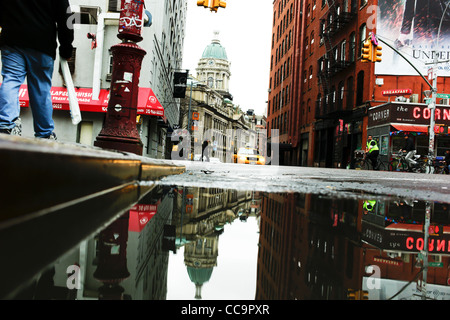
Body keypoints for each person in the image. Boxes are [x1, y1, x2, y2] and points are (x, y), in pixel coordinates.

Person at [0, 0, 74, 139]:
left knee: (11, 79)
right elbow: (67, 18)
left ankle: (4, 124)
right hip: (42, 44)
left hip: (12, 41)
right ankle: (44, 133)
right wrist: (66, 48)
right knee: (41, 89)